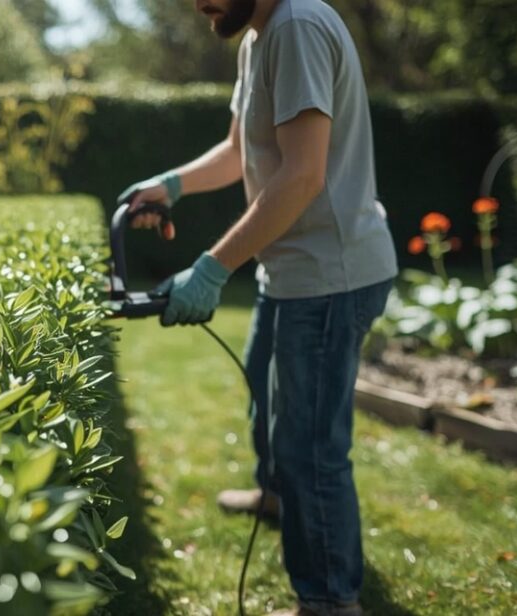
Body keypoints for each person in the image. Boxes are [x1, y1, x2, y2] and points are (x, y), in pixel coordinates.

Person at [118, 1, 398, 614]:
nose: (199, 4)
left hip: (329, 278)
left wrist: (214, 267)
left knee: (311, 447)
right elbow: (238, 148)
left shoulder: (296, 28)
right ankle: (277, 496)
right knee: (263, 391)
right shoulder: (258, 37)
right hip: (292, 270)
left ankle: (328, 598)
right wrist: (171, 184)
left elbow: (302, 175)